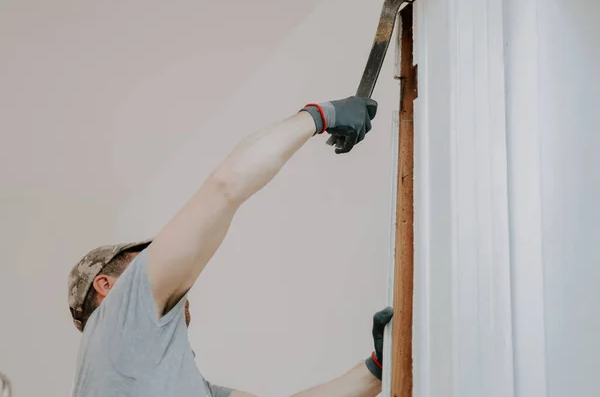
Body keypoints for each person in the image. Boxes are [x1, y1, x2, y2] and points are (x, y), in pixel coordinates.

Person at [68, 96, 394, 397]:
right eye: (143, 262)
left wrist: (376, 371)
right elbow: (225, 187)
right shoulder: (117, 321)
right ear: (106, 286)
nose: (164, 266)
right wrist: (320, 116)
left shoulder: (180, 383)